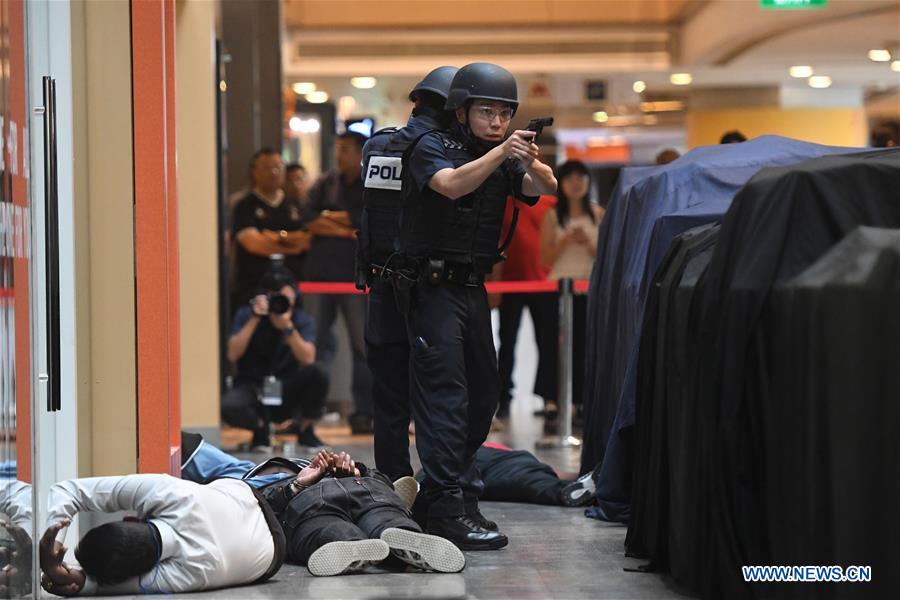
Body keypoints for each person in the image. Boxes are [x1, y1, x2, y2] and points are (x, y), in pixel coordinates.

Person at [401, 62, 557, 550]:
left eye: (505, 113)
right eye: (487, 111)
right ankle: (448, 508)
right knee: (446, 399)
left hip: (472, 289)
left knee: (484, 398)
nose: (496, 121)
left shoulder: (504, 153)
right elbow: (450, 185)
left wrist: (525, 158)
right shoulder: (431, 147)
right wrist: (501, 155)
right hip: (431, 289)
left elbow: (545, 186)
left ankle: (447, 494)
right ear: (461, 111)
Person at [360, 65, 458, 481]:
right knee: (439, 398)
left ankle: (391, 485)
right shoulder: (439, 152)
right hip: (428, 291)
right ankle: (438, 491)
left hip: (382, 285)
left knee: (389, 399)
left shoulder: (378, 146)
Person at [37, 473, 285, 596]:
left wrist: (60, 574)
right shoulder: (167, 492)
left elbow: (104, 586)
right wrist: (54, 539)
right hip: (245, 494)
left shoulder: (191, 572)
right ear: (130, 520)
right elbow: (67, 490)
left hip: (273, 552)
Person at [259, 450, 465, 576]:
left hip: (310, 502)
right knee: (386, 518)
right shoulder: (266, 480)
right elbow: (386, 485)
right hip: (365, 490)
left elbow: (261, 509)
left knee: (326, 528)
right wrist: (362, 474)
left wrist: (357, 470)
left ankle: (349, 543)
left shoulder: (258, 484)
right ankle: (402, 533)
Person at [303, 132, 374, 434]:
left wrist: (330, 221)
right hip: (319, 276)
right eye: (337, 148)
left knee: (363, 346)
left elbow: (363, 222)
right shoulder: (324, 183)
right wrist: (340, 223)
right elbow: (307, 217)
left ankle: (363, 413)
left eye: (344, 149)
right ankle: (307, 413)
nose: (338, 154)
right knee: (311, 345)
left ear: (359, 153)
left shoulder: (369, 183)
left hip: (354, 277)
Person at [221, 266, 329, 450]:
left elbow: (308, 358)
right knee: (229, 405)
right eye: (275, 296)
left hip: (288, 387)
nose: (280, 302)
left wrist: (287, 327)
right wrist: (255, 318)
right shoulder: (247, 314)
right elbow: (232, 354)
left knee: (318, 372)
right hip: (252, 387)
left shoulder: (301, 319)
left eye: (286, 297)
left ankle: (306, 430)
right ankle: (260, 429)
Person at [540, 160, 602, 417]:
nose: (576, 183)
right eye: (569, 178)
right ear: (561, 183)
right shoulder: (553, 215)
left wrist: (587, 242)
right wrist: (565, 240)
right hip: (558, 287)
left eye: (581, 177)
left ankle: (584, 400)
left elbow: (607, 255)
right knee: (553, 346)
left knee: (586, 346)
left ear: (588, 182)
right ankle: (552, 401)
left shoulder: (599, 214)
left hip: (589, 288)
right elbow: (545, 257)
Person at [494, 194, 558, 419]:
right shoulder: (503, 202)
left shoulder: (550, 203)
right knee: (508, 341)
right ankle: (504, 397)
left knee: (547, 342)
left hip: (544, 283)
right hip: (512, 282)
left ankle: (550, 397)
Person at [231, 149, 312, 309]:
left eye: (278, 167)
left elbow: (306, 240)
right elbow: (254, 244)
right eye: (267, 168)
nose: (274, 173)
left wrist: (275, 236)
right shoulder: (245, 205)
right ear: (254, 172)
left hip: (293, 286)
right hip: (253, 286)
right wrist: (292, 244)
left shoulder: (296, 204)